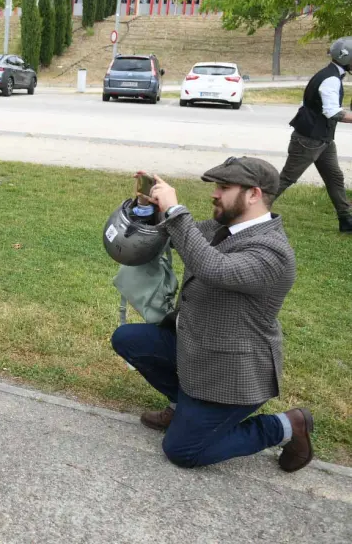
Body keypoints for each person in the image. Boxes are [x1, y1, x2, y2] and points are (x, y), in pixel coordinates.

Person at [110, 156, 315, 472]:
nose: (214, 194)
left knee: (182, 451)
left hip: (231, 374)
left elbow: (213, 267)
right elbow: (180, 238)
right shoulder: (225, 228)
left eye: (224, 187)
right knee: (129, 339)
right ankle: (182, 405)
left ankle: (287, 425)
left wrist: (176, 212)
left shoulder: (272, 253)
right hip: (197, 347)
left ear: (253, 194)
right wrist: (149, 208)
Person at [274, 36, 352, 233]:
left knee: (334, 177)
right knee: (286, 179)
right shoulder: (331, 79)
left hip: (322, 139)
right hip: (309, 140)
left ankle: (346, 221)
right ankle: (247, 214)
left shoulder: (331, 74)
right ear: (346, 58)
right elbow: (332, 112)